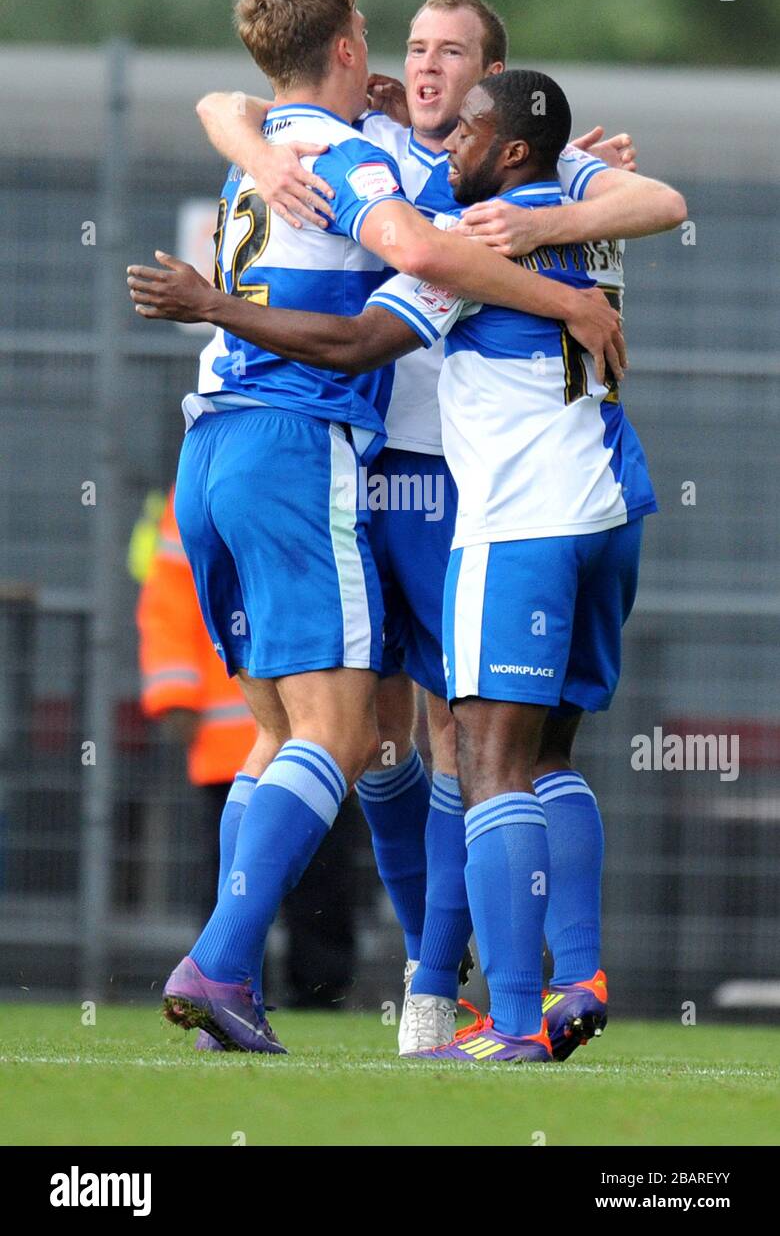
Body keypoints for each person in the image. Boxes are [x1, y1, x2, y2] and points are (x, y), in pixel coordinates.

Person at [129, 67, 675, 1062]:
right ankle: (574, 972)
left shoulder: (464, 242)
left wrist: (216, 305)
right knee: (543, 752)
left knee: (481, 757)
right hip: (611, 498)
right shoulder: (586, 205)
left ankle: (508, 1023)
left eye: (464, 125)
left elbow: (353, 339)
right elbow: (661, 200)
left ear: (509, 149)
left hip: (515, 521)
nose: (445, 136)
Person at [135, 486, 359, 1029]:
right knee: (258, 872)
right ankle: (236, 980)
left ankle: (300, 991)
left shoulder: (202, 473)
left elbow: (169, 598)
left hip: (257, 733)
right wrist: (176, 694)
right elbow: (169, 598)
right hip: (278, 733)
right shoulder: (319, 465)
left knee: (306, 881)